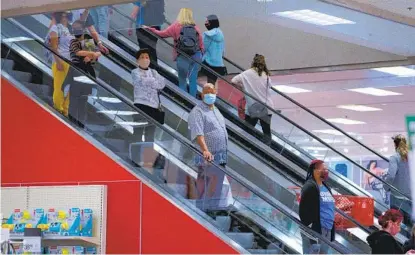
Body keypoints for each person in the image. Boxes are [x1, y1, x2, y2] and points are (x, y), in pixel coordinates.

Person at [144, 8, 204, 98]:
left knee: (182, 80)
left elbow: (162, 34)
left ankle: (184, 100)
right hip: (196, 56)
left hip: (182, 56)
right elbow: (201, 43)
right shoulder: (195, 27)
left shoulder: (176, 26)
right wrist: (201, 54)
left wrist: (150, 29)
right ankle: (193, 101)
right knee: (193, 80)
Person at [187, 83, 228, 210]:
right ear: (202, 94)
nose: (210, 94)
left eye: (212, 92)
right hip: (207, 156)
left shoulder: (215, 109)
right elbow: (198, 133)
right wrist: (205, 150)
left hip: (221, 155)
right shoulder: (197, 111)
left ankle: (212, 210)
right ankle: (202, 211)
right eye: (207, 92)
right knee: (205, 185)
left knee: (217, 186)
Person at [231, 54, 274, 145]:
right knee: (266, 131)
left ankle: (247, 148)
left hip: (252, 107)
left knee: (247, 130)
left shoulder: (246, 73)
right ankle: (267, 153)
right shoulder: (266, 75)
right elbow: (269, 87)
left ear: (253, 62)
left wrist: (243, 87)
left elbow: (233, 81)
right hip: (266, 107)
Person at [68, 20, 101, 128]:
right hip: (76, 71)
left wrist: (92, 56)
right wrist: (91, 54)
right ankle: (72, 123)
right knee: (74, 99)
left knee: (83, 100)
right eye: (74, 29)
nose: (76, 31)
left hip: (86, 74)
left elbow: (95, 59)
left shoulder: (88, 41)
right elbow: (77, 52)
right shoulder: (73, 41)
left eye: (78, 28)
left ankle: (81, 124)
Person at [299, 159, 335, 254]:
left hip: (327, 229)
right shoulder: (310, 186)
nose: (326, 171)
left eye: (327, 169)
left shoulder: (326, 187)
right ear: (315, 170)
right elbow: (303, 209)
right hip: (316, 229)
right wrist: (310, 228)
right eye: (323, 169)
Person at [132, 48, 165, 138]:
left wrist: (148, 80)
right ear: (138, 60)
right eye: (142, 57)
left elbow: (162, 84)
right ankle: (136, 151)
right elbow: (140, 81)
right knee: (137, 132)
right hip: (140, 104)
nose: (145, 59)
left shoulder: (154, 72)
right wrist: (153, 81)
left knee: (150, 134)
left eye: (147, 57)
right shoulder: (135, 72)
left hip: (154, 106)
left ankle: (148, 152)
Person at [48, 11, 74, 117]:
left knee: (67, 88)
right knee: (59, 87)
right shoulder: (55, 28)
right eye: (64, 15)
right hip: (60, 61)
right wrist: (58, 61)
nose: (66, 17)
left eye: (67, 15)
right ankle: (59, 108)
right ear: (61, 16)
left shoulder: (67, 29)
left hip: (68, 61)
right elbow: (53, 47)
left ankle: (65, 110)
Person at [387, 135, 413, 228]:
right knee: (411, 226)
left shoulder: (394, 157)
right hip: (411, 198)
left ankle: (399, 242)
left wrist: (386, 187)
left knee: (395, 224)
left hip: (397, 197)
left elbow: (390, 176)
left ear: (395, 145)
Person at [129, 0, 165, 64]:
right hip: (156, 27)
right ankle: (154, 69)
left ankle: (146, 69)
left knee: (144, 50)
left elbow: (134, 13)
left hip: (142, 27)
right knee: (152, 49)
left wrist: (129, 26)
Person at [202, 14, 226, 86]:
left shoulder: (207, 35)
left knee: (193, 73)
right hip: (218, 64)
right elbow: (223, 50)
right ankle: (210, 95)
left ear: (211, 23)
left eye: (207, 21)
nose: (205, 23)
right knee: (212, 83)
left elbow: (203, 48)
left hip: (208, 62)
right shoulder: (220, 33)